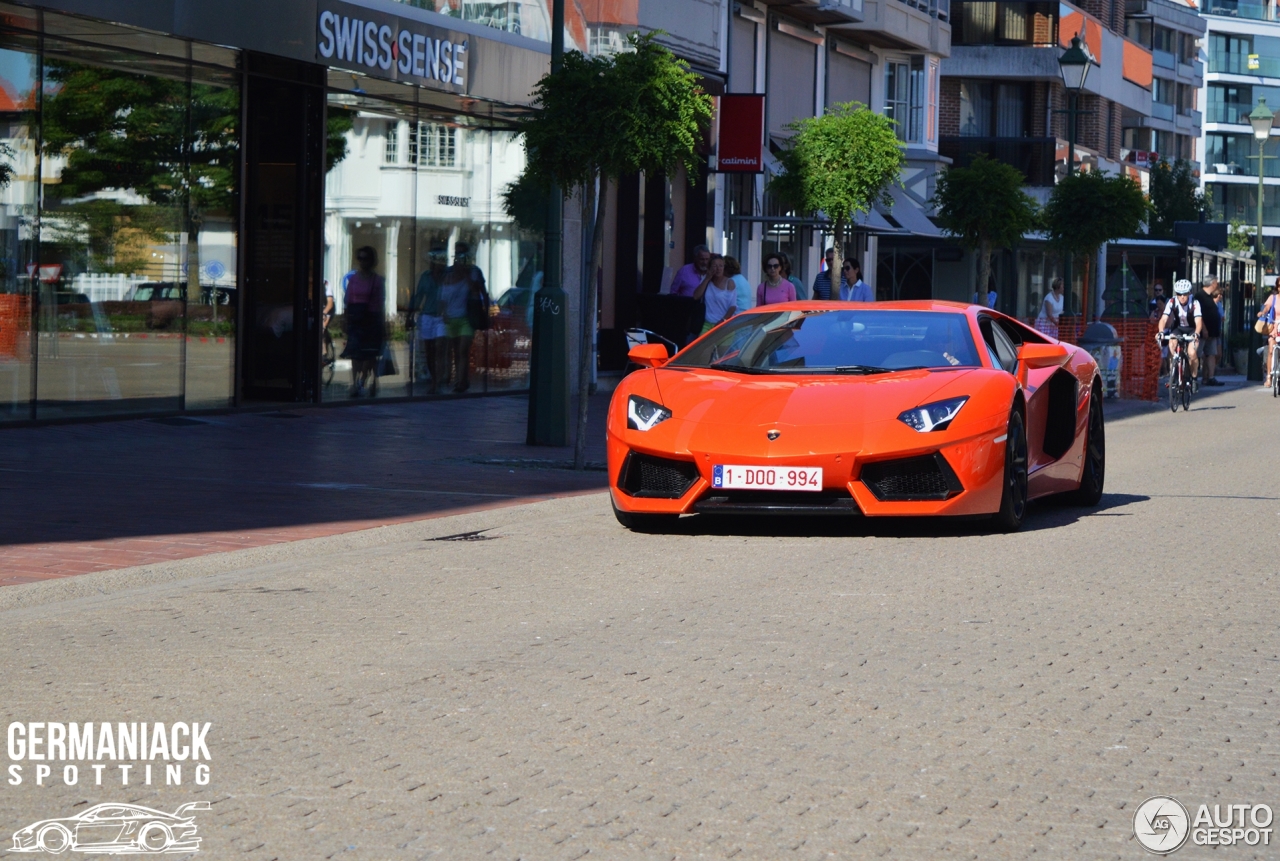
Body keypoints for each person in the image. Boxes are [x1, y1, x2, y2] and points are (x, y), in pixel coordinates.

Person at [438, 242, 487, 394]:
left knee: (463, 349)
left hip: (467, 316)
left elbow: (480, 291)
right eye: (457, 254)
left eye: (462, 254)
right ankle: (462, 379)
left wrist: (485, 312)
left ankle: (460, 382)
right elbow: (443, 295)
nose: (459, 258)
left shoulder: (474, 271)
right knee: (455, 350)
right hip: (452, 317)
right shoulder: (449, 273)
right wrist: (443, 313)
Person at [341, 246, 386, 398]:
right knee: (355, 354)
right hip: (356, 318)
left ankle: (368, 381)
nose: (362, 261)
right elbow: (347, 300)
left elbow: (381, 303)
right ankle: (354, 383)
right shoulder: (353, 279)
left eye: (365, 258)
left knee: (370, 354)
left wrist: (383, 324)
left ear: (371, 260)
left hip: (372, 319)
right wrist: (345, 319)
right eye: (360, 258)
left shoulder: (377, 280)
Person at [1156, 278, 1204, 388]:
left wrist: (1196, 333)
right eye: (1179, 294)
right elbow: (1163, 319)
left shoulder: (1195, 303)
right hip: (1178, 328)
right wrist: (1161, 332)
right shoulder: (1172, 301)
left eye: (1185, 294)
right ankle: (1175, 372)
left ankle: (1194, 377)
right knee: (1172, 345)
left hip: (1192, 329)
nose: (1182, 296)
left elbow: (1198, 321)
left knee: (1192, 353)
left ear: (1189, 293)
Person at [412, 247, 447, 392]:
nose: (436, 264)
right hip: (427, 315)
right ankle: (434, 379)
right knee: (430, 350)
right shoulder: (426, 276)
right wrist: (410, 314)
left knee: (440, 348)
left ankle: (437, 381)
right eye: (434, 261)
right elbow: (419, 295)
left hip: (442, 316)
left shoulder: (447, 276)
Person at [1195, 276, 1223, 385]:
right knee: (1196, 354)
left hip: (1212, 332)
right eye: (1216, 282)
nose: (1217, 284)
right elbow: (1198, 315)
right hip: (1203, 332)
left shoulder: (1210, 296)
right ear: (1212, 283)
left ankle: (1211, 377)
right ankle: (1193, 376)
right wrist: (1204, 329)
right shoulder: (1199, 296)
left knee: (1211, 354)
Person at [697, 254, 736, 333]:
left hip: (724, 324)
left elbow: (733, 306)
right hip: (707, 323)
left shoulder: (729, 282)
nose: (718, 269)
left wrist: (723, 320)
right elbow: (696, 296)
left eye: (721, 266)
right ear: (709, 267)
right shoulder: (706, 280)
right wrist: (707, 278)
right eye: (715, 266)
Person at [1257, 283, 1280, 382]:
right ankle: (1268, 377)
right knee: (1271, 350)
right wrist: (1263, 312)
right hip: (1274, 325)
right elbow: (1267, 306)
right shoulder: (1273, 297)